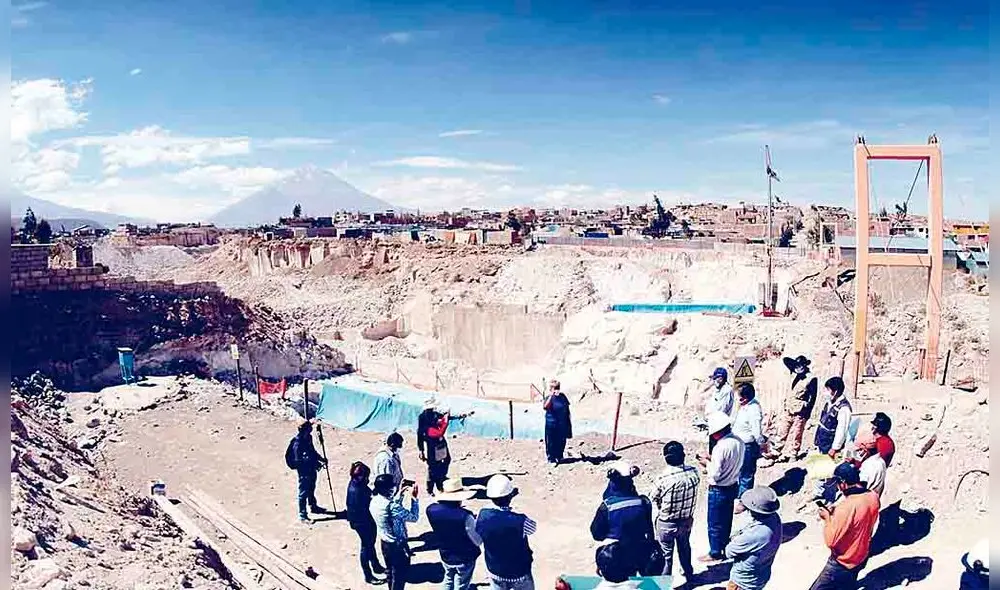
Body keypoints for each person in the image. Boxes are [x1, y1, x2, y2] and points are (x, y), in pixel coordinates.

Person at [808, 463, 880, 590]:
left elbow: (831, 541)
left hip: (843, 561)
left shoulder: (846, 507)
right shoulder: (873, 496)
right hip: (862, 555)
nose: (838, 487)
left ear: (843, 483)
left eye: (837, 484)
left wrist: (828, 518)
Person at [590, 462, 659, 577]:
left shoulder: (607, 506)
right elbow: (649, 529)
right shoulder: (643, 502)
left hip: (615, 554)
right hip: (639, 550)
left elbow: (597, 534)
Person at [696, 412, 744, 564]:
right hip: (732, 485)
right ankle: (724, 545)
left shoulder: (720, 447)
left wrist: (705, 462)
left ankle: (715, 552)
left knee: (715, 522)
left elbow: (715, 474)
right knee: (726, 518)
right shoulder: (738, 441)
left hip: (718, 489)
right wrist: (712, 460)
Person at [476, 475, 537, 590]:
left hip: (495, 569)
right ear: (510, 496)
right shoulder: (520, 520)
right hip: (519, 571)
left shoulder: (482, 515)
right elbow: (533, 528)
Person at [651, 441, 699, 580]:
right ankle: (689, 573)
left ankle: (665, 584)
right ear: (683, 455)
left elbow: (653, 497)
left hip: (667, 523)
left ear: (666, 458)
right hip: (686, 521)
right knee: (685, 547)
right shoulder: (693, 472)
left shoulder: (663, 478)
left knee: (666, 556)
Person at [426, 478, 482, 590]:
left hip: (445, 553)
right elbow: (477, 540)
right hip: (464, 556)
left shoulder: (431, 510)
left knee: (448, 578)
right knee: (461, 583)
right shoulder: (465, 516)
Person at [724, 486, 783, 590]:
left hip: (742, 583)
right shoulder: (774, 518)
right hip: (761, 576)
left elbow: (729, 552)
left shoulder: (755, 534)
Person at [370, 474, 420, 590]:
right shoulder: (391, 506)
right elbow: (413, 517)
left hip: (385, 543)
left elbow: (392, 506)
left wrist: (401, 494)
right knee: (399, 577)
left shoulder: (375, 501)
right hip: (397, 546)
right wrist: (414, 499)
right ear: (386, 489)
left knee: (391, 573)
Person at [807, 377, 853, 504]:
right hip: (822, 441)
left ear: (836, 391)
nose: (826, 392)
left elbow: (841, 430)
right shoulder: (830, 403)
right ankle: (818, 493)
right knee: (819, 468)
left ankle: (830, 499)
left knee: (831, 473)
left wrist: (835, 448)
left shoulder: (844, 409)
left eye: (828, 389)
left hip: (831, 445)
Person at [418, 398, 473, 496]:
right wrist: (421, 449)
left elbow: (444, 417)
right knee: (433, 467)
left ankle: (441, 480)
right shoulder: (424, 419)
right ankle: (430, 488)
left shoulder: (434, 414)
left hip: (440, 444)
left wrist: (460, 416)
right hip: (432, 445)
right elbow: (438, 431)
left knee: (446, 460)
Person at [768, 355, 818, 462]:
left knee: (797, 433)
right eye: (796, 366)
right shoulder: (794, 376)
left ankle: (793, 453)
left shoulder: (811, 379)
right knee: (782, 430)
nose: (798, 368)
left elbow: (812, 398)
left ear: (805, 366)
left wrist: (806, 413)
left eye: (800, 366)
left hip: (800, 411)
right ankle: (776, 451)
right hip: (789, 408)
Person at [346, 461, 387, 584]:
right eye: (366, 477)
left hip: (363, 520)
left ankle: (376, 566)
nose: (367, 479)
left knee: (370, 544)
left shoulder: (357, 484)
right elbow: (363, 508)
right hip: (362, 522)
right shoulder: (356, 490)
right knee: (366, 546)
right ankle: (368, 575)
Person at [289, 420, 329, 523]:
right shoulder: (297, 443)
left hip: (311, 468)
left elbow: (312, 451)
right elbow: (298, 460)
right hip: (304, 471)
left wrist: (320, 459)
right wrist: (309, 462)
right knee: (303, 492)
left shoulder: (308, 438)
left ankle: (313, 506)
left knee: (311, 487)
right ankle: (303, 515)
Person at [731, 383, 766, 496]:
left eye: (739, 398)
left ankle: (744, 499)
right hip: (738, 443)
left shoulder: (754, 410)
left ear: (745, 399)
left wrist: (762, 445)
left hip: (747, 446)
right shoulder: (745, 406)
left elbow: (756, 432)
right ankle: (737, 494)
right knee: (737, 471)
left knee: (746, 474)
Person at [543, 380, 572, 465]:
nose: (557, 389)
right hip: (551, 422)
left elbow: (567, 408)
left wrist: (568, 421)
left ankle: (559, 456)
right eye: (555, 388)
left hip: (562, 423)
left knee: (561, 440)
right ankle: (551, 459)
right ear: (551, 389)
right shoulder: (548, 397)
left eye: (558, 387)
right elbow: (545, 407)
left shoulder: (562, 396)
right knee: (551, 441)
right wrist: (551, 396)